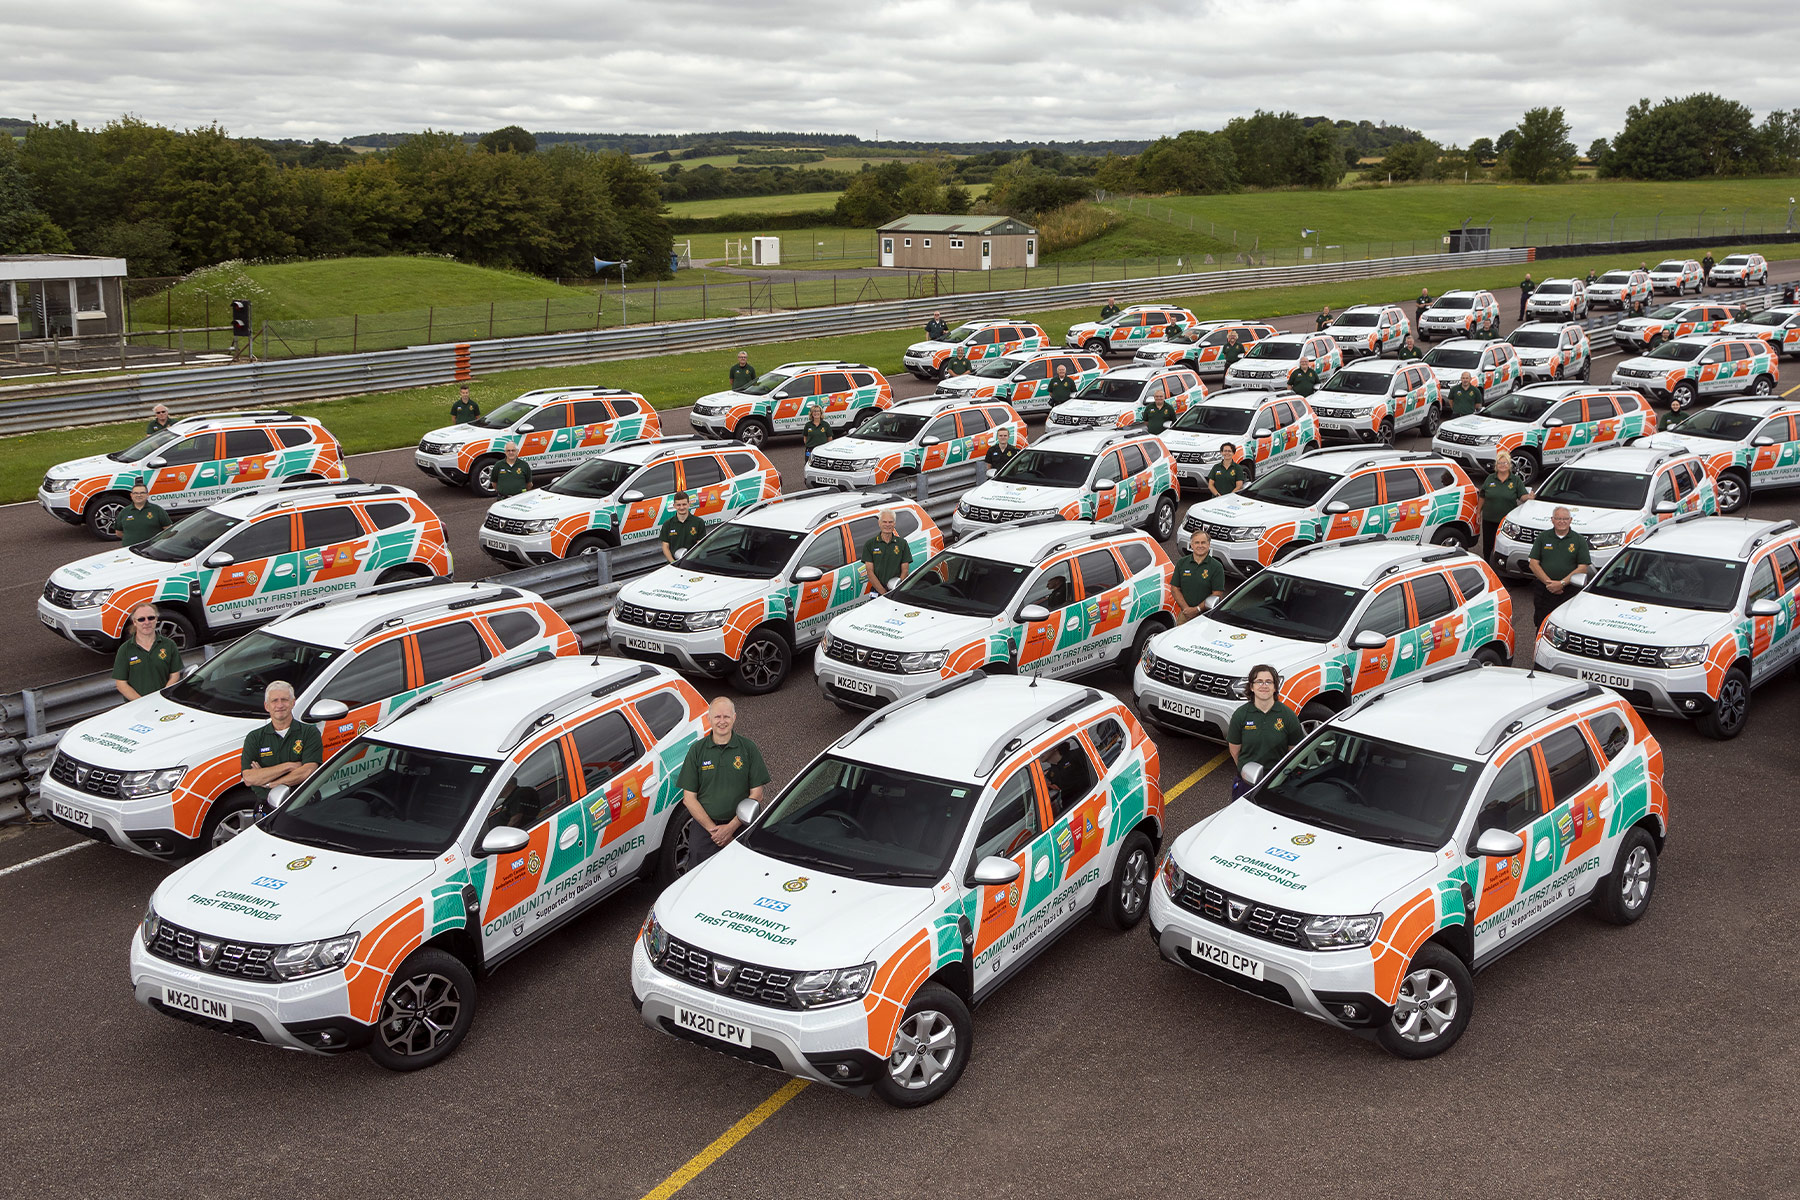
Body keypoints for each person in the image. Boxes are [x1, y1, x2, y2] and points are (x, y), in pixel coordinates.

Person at [676, 697, 769, 868]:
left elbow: (757, 794)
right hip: (705, 829)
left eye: (726, 717)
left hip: (743, 826)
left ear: (734, 718)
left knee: (745, 870)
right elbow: (688, 799)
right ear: (708, 719)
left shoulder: (748, 748)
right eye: (717, 717)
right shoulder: (697, 751)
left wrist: (731, 828)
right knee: (699, 874)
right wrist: (714, 831)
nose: (722, 721)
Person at [240, 680, 323, 810]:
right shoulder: (254, 737)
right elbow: (249, 778)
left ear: (292, 703)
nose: (280, 705)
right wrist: (289, 766)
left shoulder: (309, 732)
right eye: (274, 701)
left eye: (284, 700)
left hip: (303, 803)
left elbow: (307, 770)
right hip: (268, 805)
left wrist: (270, 783)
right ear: (267, 706)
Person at [1227, 664, 1302, 800]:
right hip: (1246, 784)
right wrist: (1248, 773)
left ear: (1275, 687)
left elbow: (1294, 752)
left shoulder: (1288, 716)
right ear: (1251, 687)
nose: (1264, 685)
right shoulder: (1241, 715)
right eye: (1259, 682)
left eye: (1269, 682)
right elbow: (1234, 751)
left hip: (1277, 784)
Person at [1528, 506, 1591, 632]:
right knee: (1542, 625)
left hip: (1568, 592)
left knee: (1565, 626)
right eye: (1558, 518)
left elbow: (1583, 567)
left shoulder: (1578, 540)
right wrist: (1549, 584)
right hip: (1544, 591)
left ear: (1570, 520)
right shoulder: (1543, 537)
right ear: (1552, 520)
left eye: (1565, 519)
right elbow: (1533, 563)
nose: (1562, 521)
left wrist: (1561, 583)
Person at [111, 603, 182, 701]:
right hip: (137, 707)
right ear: (134, 622)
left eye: (151, 618)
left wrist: (162, 697)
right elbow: (121, 683)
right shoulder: (125, 649)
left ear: (156, 619)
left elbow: (175, 675)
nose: (147, 622)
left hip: (165, 702)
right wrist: (143, 703)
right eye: (141, 619)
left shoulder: (169, 645)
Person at [1479, 450, 1528, 560]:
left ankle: (1500, 566)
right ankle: (1487, 564)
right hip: (1489, 520)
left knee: (1504, 546)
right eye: (1500, 463)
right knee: (1488, 545)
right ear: (1496, 465)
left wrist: (1529, 497)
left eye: (1505, 463)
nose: (1502, 465)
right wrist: (1478, 512)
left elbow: (1522, 496)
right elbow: (1482, 496)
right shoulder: (1490, 478)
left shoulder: (1515, 480)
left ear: (1509, 465)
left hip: (1507, 522)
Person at [1172, 530, 1227, 624]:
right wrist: (1187, 609)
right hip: (1185, 615)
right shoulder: (1182, 563)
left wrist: (1197, 609)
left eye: (1203, 542)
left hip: (1206, 617)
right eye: (1197, 542)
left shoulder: (1216, 567)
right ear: (1191, 545)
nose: (1200, 546)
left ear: (1209, 545)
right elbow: (1174, 588)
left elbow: (1217, 593)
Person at [861, 509, 912, 596]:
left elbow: (905, 570)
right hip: (877, 591)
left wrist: (896, 589)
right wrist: (884, 593)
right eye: (884, 522)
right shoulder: (870, 544)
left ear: (894, 523)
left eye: (890, 522)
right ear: (879, 523)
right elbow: (870, 572)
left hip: (896, 590)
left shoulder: (902, 543)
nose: (887, 525)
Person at [116, 481, 172, 547]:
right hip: (130, 550)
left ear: (147, 495)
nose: (139, 495)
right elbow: (118, 533)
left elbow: (169, 530)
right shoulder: (124, 512)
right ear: (131, 495)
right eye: (135, 493)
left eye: (142, 493)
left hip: (152, 550)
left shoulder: (157, 510)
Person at [660, 491, 707, 563]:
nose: (681, 507)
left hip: (692, 563)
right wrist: (673, 562)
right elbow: (665, 546)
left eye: (684, 504)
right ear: (674, 506)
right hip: (674, 564)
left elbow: (700, 545)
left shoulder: (698, 522)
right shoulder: (668, 524)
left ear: (689, 504)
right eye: (678, 505)